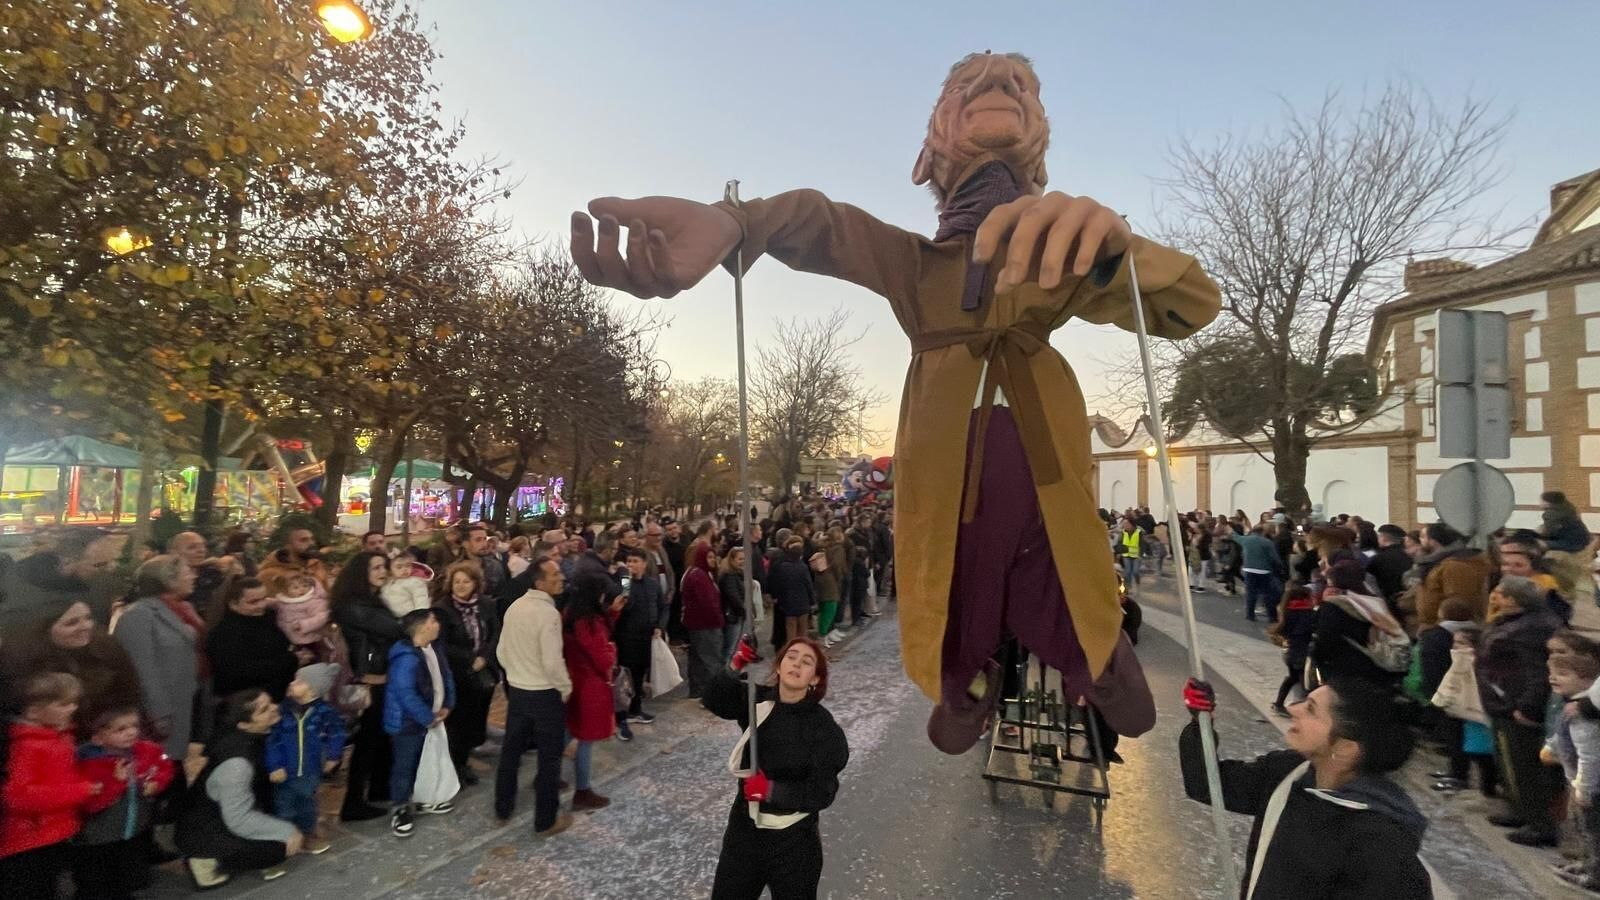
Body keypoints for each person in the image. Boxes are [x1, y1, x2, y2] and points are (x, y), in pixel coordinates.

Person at [1179, 676, 1430, 898]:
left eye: (1311, 710)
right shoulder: (1289, 773)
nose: (1292, 708)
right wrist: (1202, 723)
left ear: (1345, 749)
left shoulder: (1380, 841)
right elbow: (1207, 784)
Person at [703, 637, 850, 900]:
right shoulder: (757, 701)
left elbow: (821, 792)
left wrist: (772, 791)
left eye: (807, 662)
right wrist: (734, 666)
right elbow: (714, 700)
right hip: (744, 835)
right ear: (779, 667)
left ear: (814, 679)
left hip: (794, 845)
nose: (796, 664)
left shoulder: (824, 730)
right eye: (791, 657)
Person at [176, 689, 303, 888]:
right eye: (264, 710)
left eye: (270, 703)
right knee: (278, 848)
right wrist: (286, 831)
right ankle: (205, 860)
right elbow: (238, 819)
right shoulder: (237, 764)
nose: (275, 708)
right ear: (244, 724)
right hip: (204, 832)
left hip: (217, 817)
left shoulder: (242, 737)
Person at [1475, 574, 1563, 847]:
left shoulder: (1533, 628)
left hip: (1516, 706)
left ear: (1513, 599)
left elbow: (1538, 673)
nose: (1494, 596)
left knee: (1524, 767)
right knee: (1509, 763)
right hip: (1503, 702)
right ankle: (1519, 810)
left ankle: (1540, 825)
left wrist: (1527, 707)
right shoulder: (1516, 621)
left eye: (1500, 592)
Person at [495, 557, 574, 837]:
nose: (561, 578)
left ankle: (502, 806)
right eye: (555, 575)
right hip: (544, 693)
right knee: (549, 758)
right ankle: (546, 820)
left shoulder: (515, 607)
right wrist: (565, 688)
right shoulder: (548, 614)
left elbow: (501, 651)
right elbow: (552, 661)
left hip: (518, 690)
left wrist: (516, 674)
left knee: (511, 751)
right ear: (539, 582)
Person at [0, 672, 96, 896]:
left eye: (74, 702)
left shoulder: (60, 738)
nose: (72, 708)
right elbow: (18, 796)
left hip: (54, 830)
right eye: (62, 704)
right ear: (34, 711)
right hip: (31, 837)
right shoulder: (26, 746)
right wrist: (81, 790)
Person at [75, 705, 178, 900]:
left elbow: (165, 767)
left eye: (134, 726)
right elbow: (91, 804)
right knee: (96, 880)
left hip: (132, 830)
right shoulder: (90, 763)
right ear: (98, 737)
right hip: (99, 836)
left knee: (124, 875)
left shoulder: (147, 750)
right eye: (120, 729)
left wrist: (158, 782)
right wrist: (116, 781)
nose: (131, 732)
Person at [330, 549, 402, 822]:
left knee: (381, 735)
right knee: (367, 741)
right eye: (376, 568)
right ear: (361, 573)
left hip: (381, 674)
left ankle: (378, 789)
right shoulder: (354, 605)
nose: (383, 571)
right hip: (368, 680)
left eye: (384, 566)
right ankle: (353, 803)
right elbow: (393, 628)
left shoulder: (371, 600)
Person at [0, 597, 142, 733]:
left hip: (107, 734)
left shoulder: (106, 647)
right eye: (72, 623)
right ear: (47, 629)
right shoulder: (24, 662)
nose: (85, 626)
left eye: (88, 618)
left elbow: (130, 693)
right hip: (52, 739)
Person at [115, 554, 204, 763]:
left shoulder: (182, 610)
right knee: (160, 764)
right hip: (161, 710)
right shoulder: (138, 615)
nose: (194, 576)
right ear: (168, 580)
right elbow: (141, 669)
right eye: (188, 572)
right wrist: (159, 713)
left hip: (183, 700)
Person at [384, 609, 455, 838]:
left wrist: (448, 703)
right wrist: (427, 717)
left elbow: (446, 676)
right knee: (405, 765)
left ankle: (425, 797)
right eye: (433, 620)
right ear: (421, 626)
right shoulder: (406, 658)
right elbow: (405, 693)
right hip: (408, 723)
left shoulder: (435, 648)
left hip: (430, 717)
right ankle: (400, 807)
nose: (437, 624)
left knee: (427, 760)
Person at [263, 664, 345, 854]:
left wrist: (333, 755)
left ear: (313, 689)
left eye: (299, 682)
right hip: (285, 773)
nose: (292, 684)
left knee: (307, 805)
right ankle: (283, 839)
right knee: (284, 807)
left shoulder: (325, 712)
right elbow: (272, 739)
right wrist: (274, 765)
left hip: (311, 770)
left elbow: (337, 733)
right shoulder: (283, 710)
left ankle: (307, 835)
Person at [433, 561, 500, 785]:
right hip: (458, 672)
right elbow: (442, 644)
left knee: (476, 718)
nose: (461, 586)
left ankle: (467, 755)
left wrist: (484, 657)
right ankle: (457, 765)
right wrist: (471, 659)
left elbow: (494, 632)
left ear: (475, 583)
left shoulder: (486, 604)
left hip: (483, 672)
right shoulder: (442, 609)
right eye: (457, 581)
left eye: (466, 581)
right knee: (458, 723)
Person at [562, 572, 624, 812]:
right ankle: (583, 790)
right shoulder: (587, 621)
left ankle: (553, 775)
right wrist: (611, 651)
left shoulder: (570, 614)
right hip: (590, 684)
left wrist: (612, 614)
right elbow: (600, 653)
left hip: (574, 679)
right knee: (585, 738)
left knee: (569, 731)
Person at [1548, 650, 1600, 892]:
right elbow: (1563, 736)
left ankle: (1596, 874)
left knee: (1594, 830)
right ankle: (1589, 864)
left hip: (1591, 784)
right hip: (1579, 780)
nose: (1553, 678)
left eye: (1563, 674)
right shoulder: (1573, 706)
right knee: (1585, 828)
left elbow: (1590, 754)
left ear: (1587, 680)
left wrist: (1585, 788)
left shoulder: (1583, 715)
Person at [211, 576, 300, 702]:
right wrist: (292, 660)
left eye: (264, 599)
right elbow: (240, 672)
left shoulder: (266, 618)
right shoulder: (225, 634)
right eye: (253, 602)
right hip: (253, 704)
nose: (261, 605)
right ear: (233, 604)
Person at [613, 548, 665, 739]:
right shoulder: (625, 583)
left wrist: (659, 625)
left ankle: (635, 709)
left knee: (639, 676)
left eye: (635, 561)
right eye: (629, 561)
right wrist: (626, 581)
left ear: (644, 563)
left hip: (646, 638)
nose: (631, 565)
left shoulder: (652, 584)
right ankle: (623, 715)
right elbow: (625, 607)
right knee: (625, 678)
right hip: (627, 638)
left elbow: (660, 605)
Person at [1412, 523, 1491, 629]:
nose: (1420, 541)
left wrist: (1438, 630)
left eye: (1423, 537)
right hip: (1433, 629)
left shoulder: (1455, 565)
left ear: (1434, 541)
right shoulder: (1438, 563)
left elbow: (1458, 605)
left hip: (1447, 633)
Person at [681, 543, 727, 699]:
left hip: (698, 624)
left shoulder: (697, 573)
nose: (712, 560)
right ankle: (712, 695)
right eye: (709, 557)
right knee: (710, 661)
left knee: (698, 660)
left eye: (713, 557)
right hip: (706, 624)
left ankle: (699, 691)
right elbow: (708, 602)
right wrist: (719, 619)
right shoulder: (699, 576)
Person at [1541, 489, 1596, 609]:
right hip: (1581, 542)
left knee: (1537, 545)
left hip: (1568, 544)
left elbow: (1550, 533)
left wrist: (1541, 539)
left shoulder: (1550, 513)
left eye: (1542, 500)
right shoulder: (1569, 507)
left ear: (1547, 502)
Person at [1268, 584, 1316, 716]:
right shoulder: (1309, 613)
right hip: (1302, 652)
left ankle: (1279, 703)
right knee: (1305, 683)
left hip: (1289, 652)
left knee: (1292, 677)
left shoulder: (1287, 612)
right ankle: (1306, 711)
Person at [769, 536, 816, 645]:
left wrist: (780, 601)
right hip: (802, 603)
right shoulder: (803, 567)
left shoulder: (783, 567)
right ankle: (802, 648)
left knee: (790, 631)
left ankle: (790, 649)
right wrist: (812, 601)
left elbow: (780, 586)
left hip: (789, 604)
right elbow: (808, 585)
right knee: (802, 631)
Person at [1235, 525, 1279, 622]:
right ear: (1262, 532)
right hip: (1264, 570)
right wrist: (1279, 567)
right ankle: (1272, 616)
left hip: (1249, 569)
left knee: (1251, 593)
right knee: (1267, 593)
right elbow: (1274, 557)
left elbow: (1235, 537)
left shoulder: (1246, 540)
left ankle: (1250, 615)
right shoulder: (1267, 542)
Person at [1367, 524, 1412, 611]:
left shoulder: (1377, 559)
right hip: (1409, 600)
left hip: (1388, 602)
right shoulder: (1410, 555)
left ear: (1384, 538)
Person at [380, 552, 434, 618]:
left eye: (408, 566)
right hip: (394, 617)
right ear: (390, 570)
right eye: (399, 567)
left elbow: (421, 600)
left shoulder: (415, 582)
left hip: (411, 617)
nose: (404, 569)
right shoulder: (388, 583)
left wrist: (420, 616)